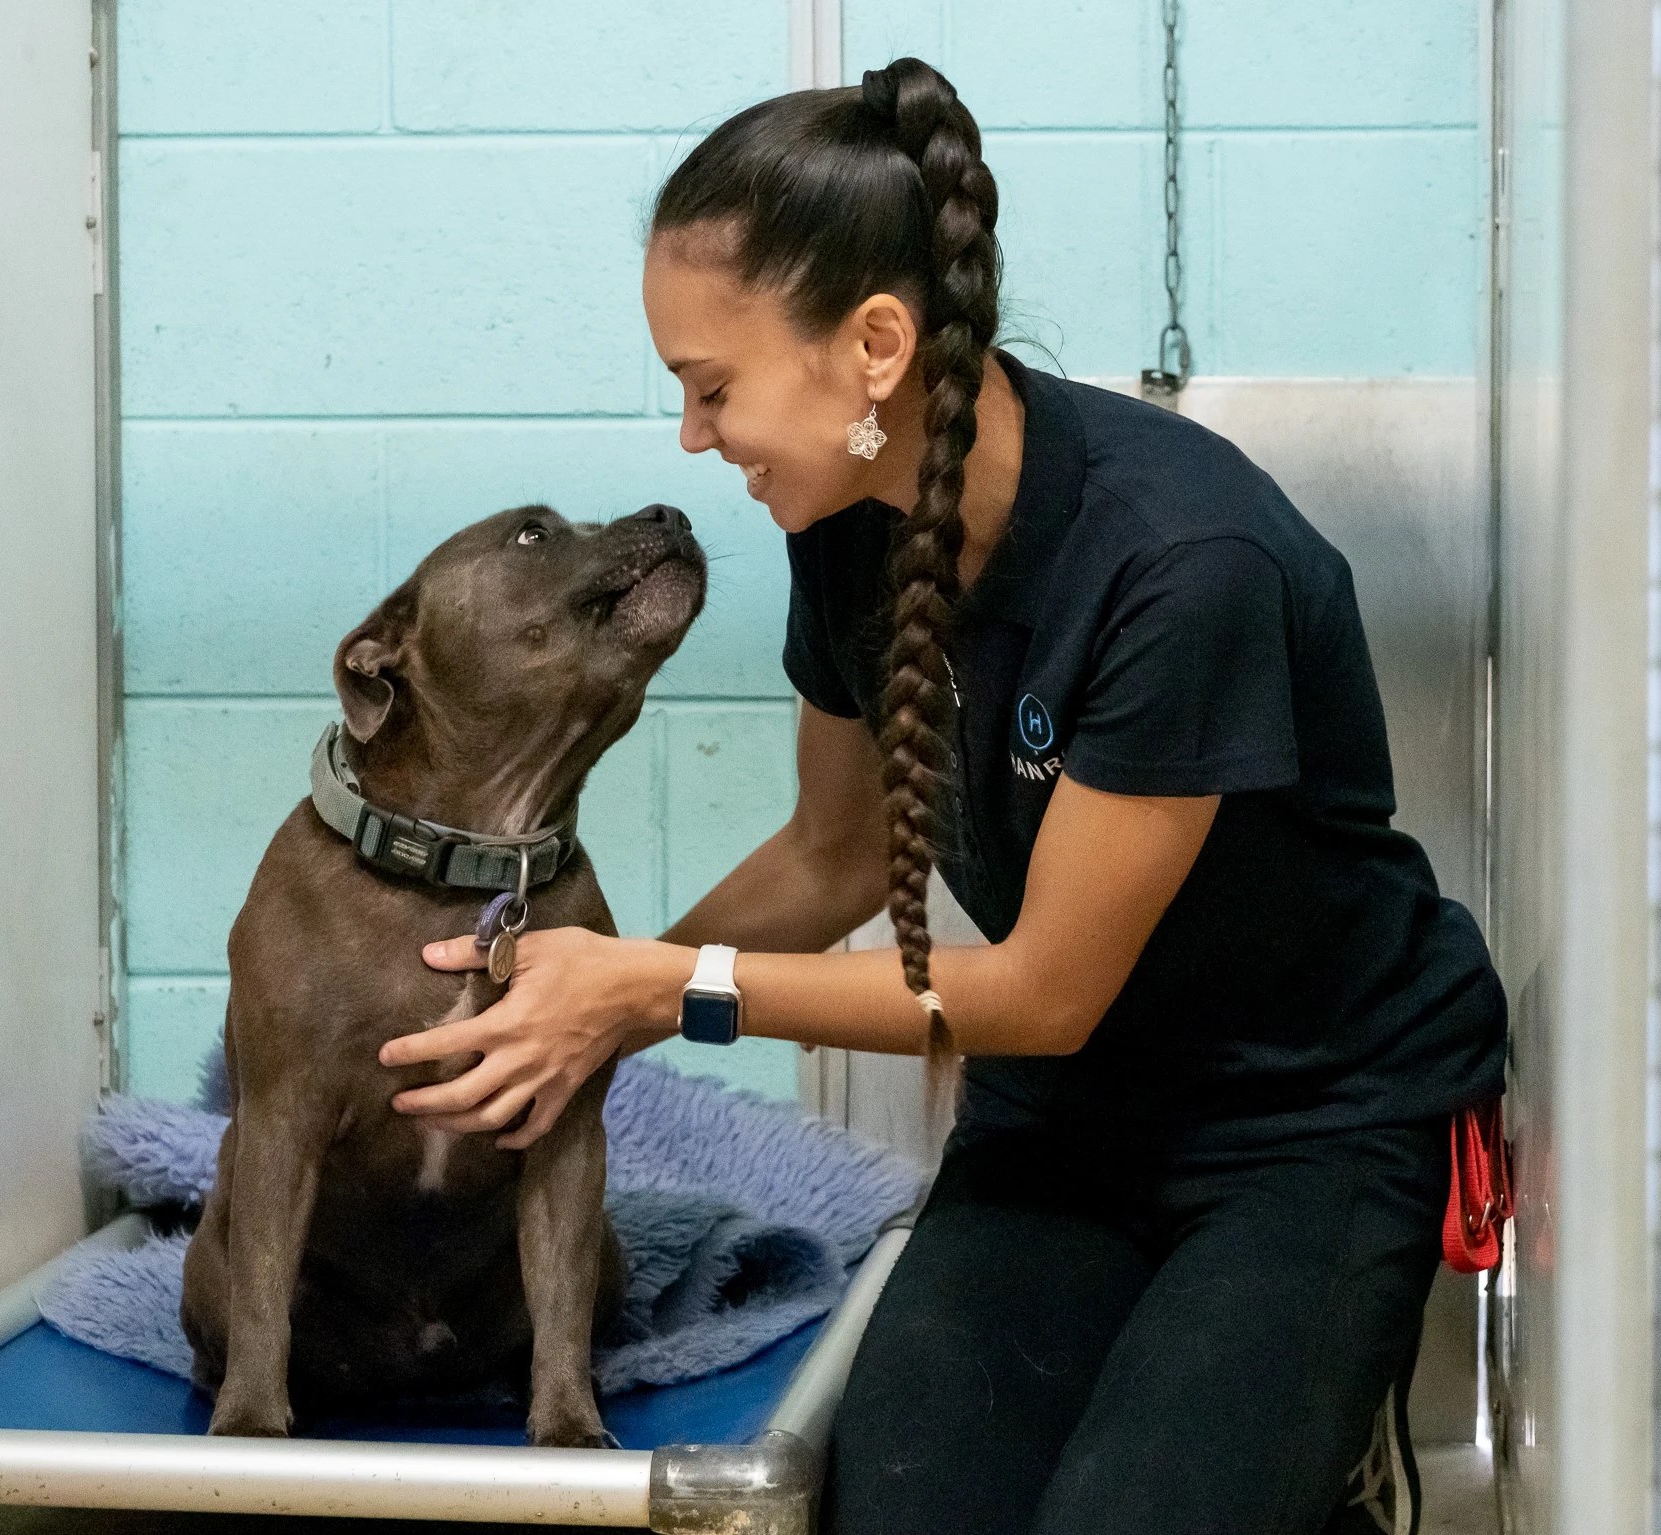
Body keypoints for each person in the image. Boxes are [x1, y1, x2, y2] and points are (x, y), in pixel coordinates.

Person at [376, 55, 1508, 1535]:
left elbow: (1044, 989)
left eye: (712, 389)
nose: (693, 439)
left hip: (1303, 1121)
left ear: (876, 348)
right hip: (1060, 1129)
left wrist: (654, 994)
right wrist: (574, 999)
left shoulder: (1178, 565)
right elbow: (834, 857)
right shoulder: (849, 522)